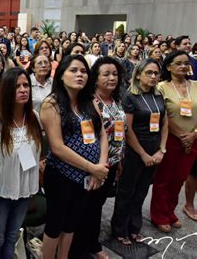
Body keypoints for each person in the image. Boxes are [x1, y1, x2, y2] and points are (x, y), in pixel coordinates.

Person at [40, 54, 109, 259]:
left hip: (88, 176)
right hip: (62, 175)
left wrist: (101, 167)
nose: (80, 74)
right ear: (61, 75)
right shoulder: (51, 104)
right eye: (73, 70)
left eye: (83, 71)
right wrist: (92, 168)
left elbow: (103, 134)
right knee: (55, 224)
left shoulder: (89, 101)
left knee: (71, 223)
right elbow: (58, 147)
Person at [70, 57, 126, 259]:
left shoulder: (117, 100)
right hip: (94, 166)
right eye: (106, 74)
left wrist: (119, 161)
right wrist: (97, 167)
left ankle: (93, 244)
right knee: (86, 209)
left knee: (97, 206)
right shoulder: (90, 102)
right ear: (95, 78)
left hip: (112, 162)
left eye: (115, 74)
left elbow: (121, 132)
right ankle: (80, 248)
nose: (112, 78)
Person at [0, 67, 42, 259]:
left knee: (12, 236)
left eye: (26, 85)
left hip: (24, 189)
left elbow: (37, 152)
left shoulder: (33, 117)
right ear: (7, 90)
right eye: (17, 86)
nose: (23, 89)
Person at [111, 58, 168, 244]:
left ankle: (134, 227)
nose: (153, 76)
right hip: (135, 150)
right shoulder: (130, 96)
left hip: (155, 149)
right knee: (127, 191)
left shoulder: (158, 94)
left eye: (156, 73)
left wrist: (162, 150)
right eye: (149, 73)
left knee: (142, 190)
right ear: (139, 74)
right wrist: (143, 154)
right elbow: (127, 129)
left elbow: (165, 123)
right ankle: (119, 229)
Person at [150, 51, 197, 231]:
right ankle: (159, 214)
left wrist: (193, 135)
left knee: (179, 178)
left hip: (193, 140)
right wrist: (181, 136)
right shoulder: (161, 87)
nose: (184, 66)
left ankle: (170, 211)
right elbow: (162, 116)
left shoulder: (195, 85)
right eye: (179, 63)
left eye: (186, 63)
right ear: (169, 67)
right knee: (163, 179)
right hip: (169, 139)